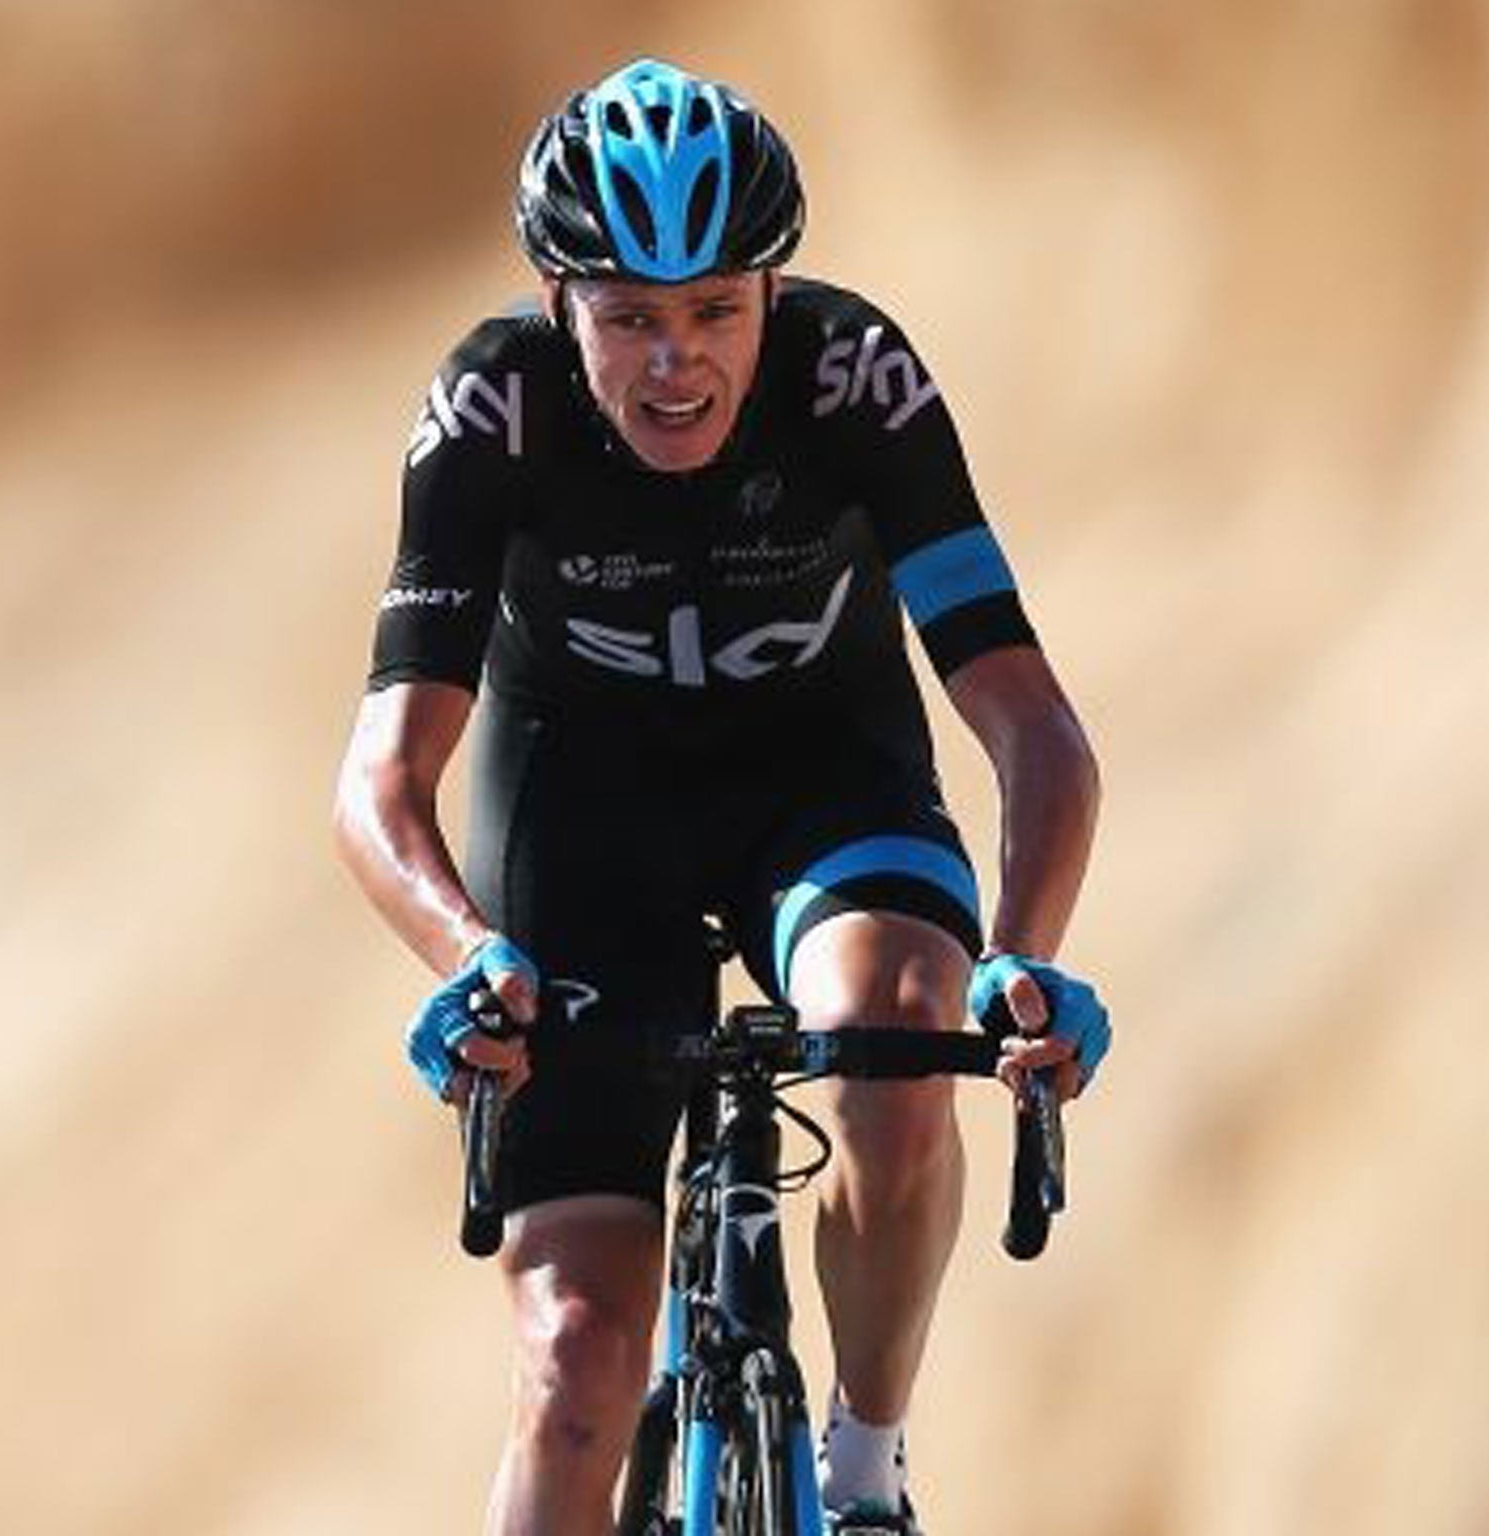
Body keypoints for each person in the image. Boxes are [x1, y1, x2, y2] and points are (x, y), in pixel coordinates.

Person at [333, 57, 1109, 1536]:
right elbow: (381, 779)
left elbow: (1035, 728)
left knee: (896, 1030)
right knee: (576, 1368)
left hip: (816, 779)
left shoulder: (853, 379)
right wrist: (463, 952)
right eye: (630, 318)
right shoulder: (494, 408)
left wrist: (1023, 957)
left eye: (713, 313)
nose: (675, 362)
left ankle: (864, 1473)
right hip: (581, 820)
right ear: (560, 305)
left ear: (773, 294)